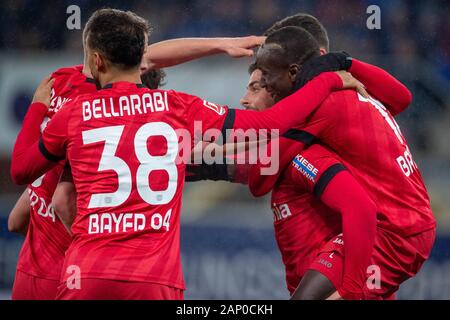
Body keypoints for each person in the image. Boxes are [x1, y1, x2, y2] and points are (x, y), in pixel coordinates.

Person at [10, 8, 362, 300]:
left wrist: (38, 108)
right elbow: (268, 123)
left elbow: (23, 175)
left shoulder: (73, 109)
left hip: (84, 273)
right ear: (142, 59)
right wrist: (329, 80)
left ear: (97, 60)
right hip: (154, 280)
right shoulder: (175, 106)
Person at [248, 26, 436, 299]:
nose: (265, 84)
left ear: (293, 72)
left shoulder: (322, 103)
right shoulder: (354, 92)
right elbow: (403, 98)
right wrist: (346, 62)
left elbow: (260, 175)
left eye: (267, 76)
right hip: (405, 222)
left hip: (395, 232)